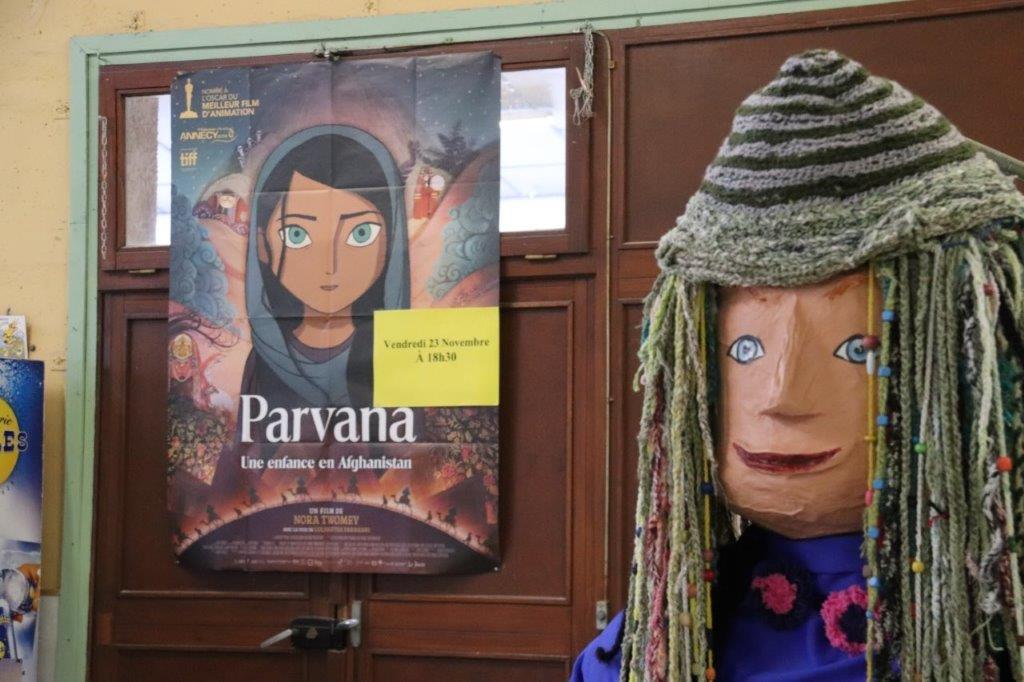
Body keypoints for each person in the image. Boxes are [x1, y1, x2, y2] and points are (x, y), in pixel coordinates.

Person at [574, 49, 1024, 681]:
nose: (781, 396)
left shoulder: (992, 638)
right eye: (744, 350)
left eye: (859, 349)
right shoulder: (655, 645)